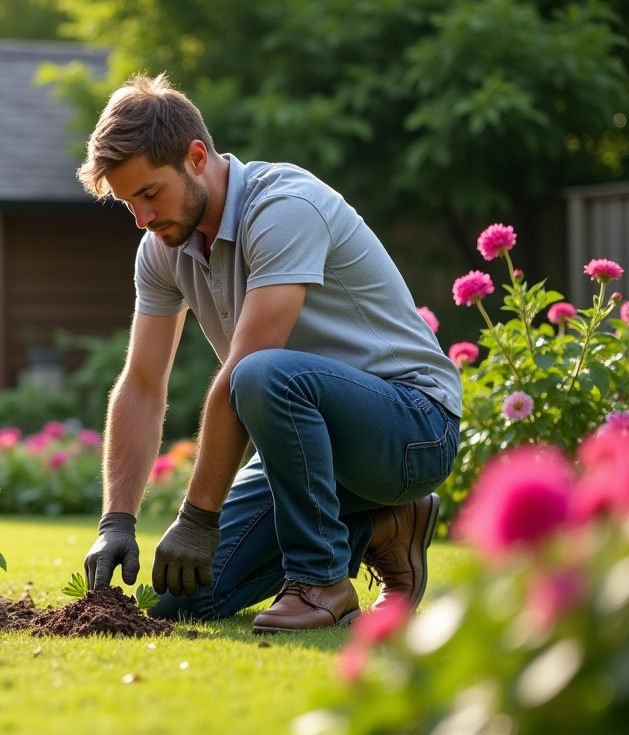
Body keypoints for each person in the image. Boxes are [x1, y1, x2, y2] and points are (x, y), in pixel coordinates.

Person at [78, 74, 462, 632]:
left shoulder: (283, 207)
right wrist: (116, 521)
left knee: (259, 374)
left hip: (412, 428)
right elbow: (141, 384)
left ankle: (320, 581)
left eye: (150, 193)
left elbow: (247, 371)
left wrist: (196, 518)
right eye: (127, 203)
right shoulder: (161, 248)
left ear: (195, 156)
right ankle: (385, 527)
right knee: (187, 600)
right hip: (308, 453)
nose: (141, 217)